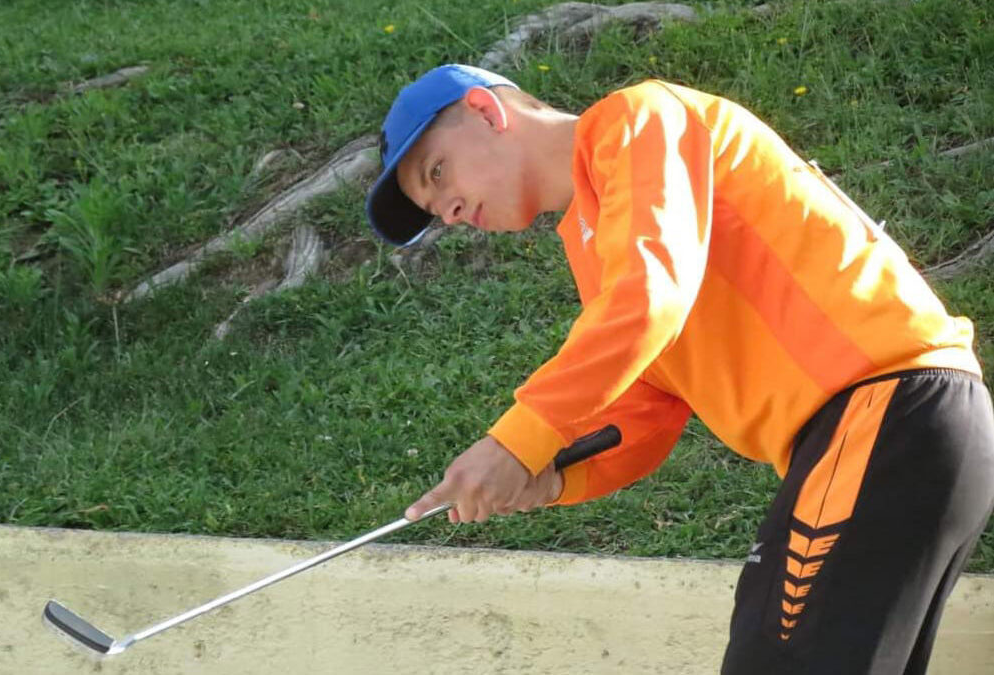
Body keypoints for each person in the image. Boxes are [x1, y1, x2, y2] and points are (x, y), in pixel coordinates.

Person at [364, 64, 994, 674]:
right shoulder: (596, 238)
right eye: (432, 207)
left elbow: (648, 299)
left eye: (436, 172)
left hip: (886, 414)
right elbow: (643, 410)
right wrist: (548, 476)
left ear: (485, 109)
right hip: (887, 432)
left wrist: (517, 438)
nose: (445, 210)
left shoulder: (636, 118)